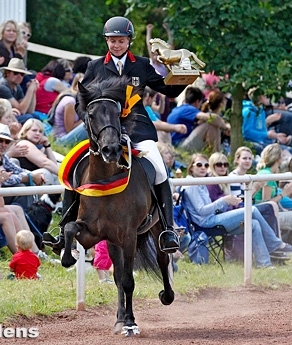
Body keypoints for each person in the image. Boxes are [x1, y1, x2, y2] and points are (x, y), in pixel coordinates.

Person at [45, 16, 187, 254]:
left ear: (129, 41)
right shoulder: (95, 67)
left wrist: (182, 73)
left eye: (120, 40)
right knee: (72, 167)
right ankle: (62, 230)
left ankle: (167, 230)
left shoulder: (141, 65)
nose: (116, 45)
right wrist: (92, 121)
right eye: (111, 40)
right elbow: (83, 100)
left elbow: (167, 89)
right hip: (103, 131)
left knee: (160, 169)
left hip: (137, 128)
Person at [182, 153, 292, 268]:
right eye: (199, 164)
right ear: (191, 167)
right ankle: (275, 244)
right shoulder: (191, 185)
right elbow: (202, 211)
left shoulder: (202, 182)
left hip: (213, 218)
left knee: (254, 224)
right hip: (206, 223)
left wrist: (228, 202)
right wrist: (224, 201)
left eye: (206, 165)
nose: (203, 167)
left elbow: (211, 208)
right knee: (251, 210)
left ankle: (264, 264)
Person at [252, 144, 292, 256]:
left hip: (268, 213)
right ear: (278, 158)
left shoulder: (267, 173)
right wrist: (285, 193)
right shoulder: (267, 175)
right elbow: (267, 205)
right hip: (265, 216)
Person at [167, 86, 229, 152]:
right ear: (197, 102)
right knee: (209, 124)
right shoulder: (188, 109)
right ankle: (216, 153)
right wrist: (226, 127)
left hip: (178, 142)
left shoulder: (179, 108)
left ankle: (216, 153)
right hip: (179, 145)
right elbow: (211, 117)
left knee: (212, 123)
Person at [14, 118, 59, 184]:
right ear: (25, 131)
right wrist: (66, 176)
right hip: (22, 180)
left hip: (32, 181)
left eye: (40, 131)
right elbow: (45, 163)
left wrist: (47, 146)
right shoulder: (24, 144)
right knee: (45, 173)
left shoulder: (38, 147)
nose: (38, 133)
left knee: (54, 172)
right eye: (34, 130)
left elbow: (54, 165)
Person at [0, 58, 39, 123]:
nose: (19, 76)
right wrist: (30, 90)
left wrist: (33, 91)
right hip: (1, 118)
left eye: (22, 74)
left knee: (34, 116)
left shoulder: (17, 87)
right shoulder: (2, 87)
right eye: (16, 73)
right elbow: (22, 110)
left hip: (12, 117)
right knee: (29, 118)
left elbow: (30, 111)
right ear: (7, 73)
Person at [51, 73, 88, 146]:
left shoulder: (79, 101)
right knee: (90, 123)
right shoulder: (70, 102)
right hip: (61, 140)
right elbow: (69, 129)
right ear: (75, 87)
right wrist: (86, 118)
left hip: (68, 137)